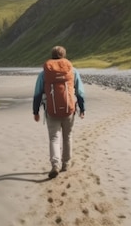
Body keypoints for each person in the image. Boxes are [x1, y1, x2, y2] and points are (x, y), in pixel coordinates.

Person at [33, 46, 86, 179]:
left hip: (52, 110)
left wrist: (36, 111)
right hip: (69, 109)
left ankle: (55, 165)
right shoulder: (72, 70)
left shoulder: (44, 73)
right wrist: (82, 109)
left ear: (52, 55)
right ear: (64, 55)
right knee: (67, 137)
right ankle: (66, 163)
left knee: (54, 138)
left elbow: (37, 94)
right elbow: (80, 92)